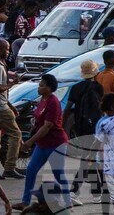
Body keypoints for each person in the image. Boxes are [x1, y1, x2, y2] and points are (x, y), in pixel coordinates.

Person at [17, 74, 70, 210]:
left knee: (58, 173)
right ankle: (25, 200)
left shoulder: (53, 102)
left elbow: (47, 127)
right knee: (31, 170)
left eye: (41, 85)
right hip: (43, 143)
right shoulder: (43, 99)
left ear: (49, 88)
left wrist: (29, 142)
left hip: (56, 143)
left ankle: (68, 202)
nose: (39, 88)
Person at [0, 39, 23, 179]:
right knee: (16, 134)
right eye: (7, 49)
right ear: (0, 49)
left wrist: (11, 105)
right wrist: (11, 84)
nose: (8, 52)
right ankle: (10, 167)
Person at [63, 59, 103, 138]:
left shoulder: (76, 87)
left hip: (80, 124)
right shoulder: (98, 87)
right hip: (95, 123)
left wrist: (62, 124)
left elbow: (68, 108)